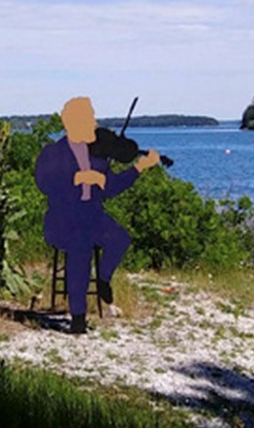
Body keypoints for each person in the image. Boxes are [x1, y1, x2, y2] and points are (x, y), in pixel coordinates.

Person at [33, 96, 161, 334]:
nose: (94, 124)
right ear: (73, 123)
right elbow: (44, 181)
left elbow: (110, 188)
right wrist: (77, 178)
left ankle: (103, 279)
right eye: (90, 118)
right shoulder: (54, 153)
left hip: (91, 216)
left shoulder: (98, 156)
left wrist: (139, 167)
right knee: (80, 246)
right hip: (62, 219)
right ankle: (78, 317)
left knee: (120, 239)